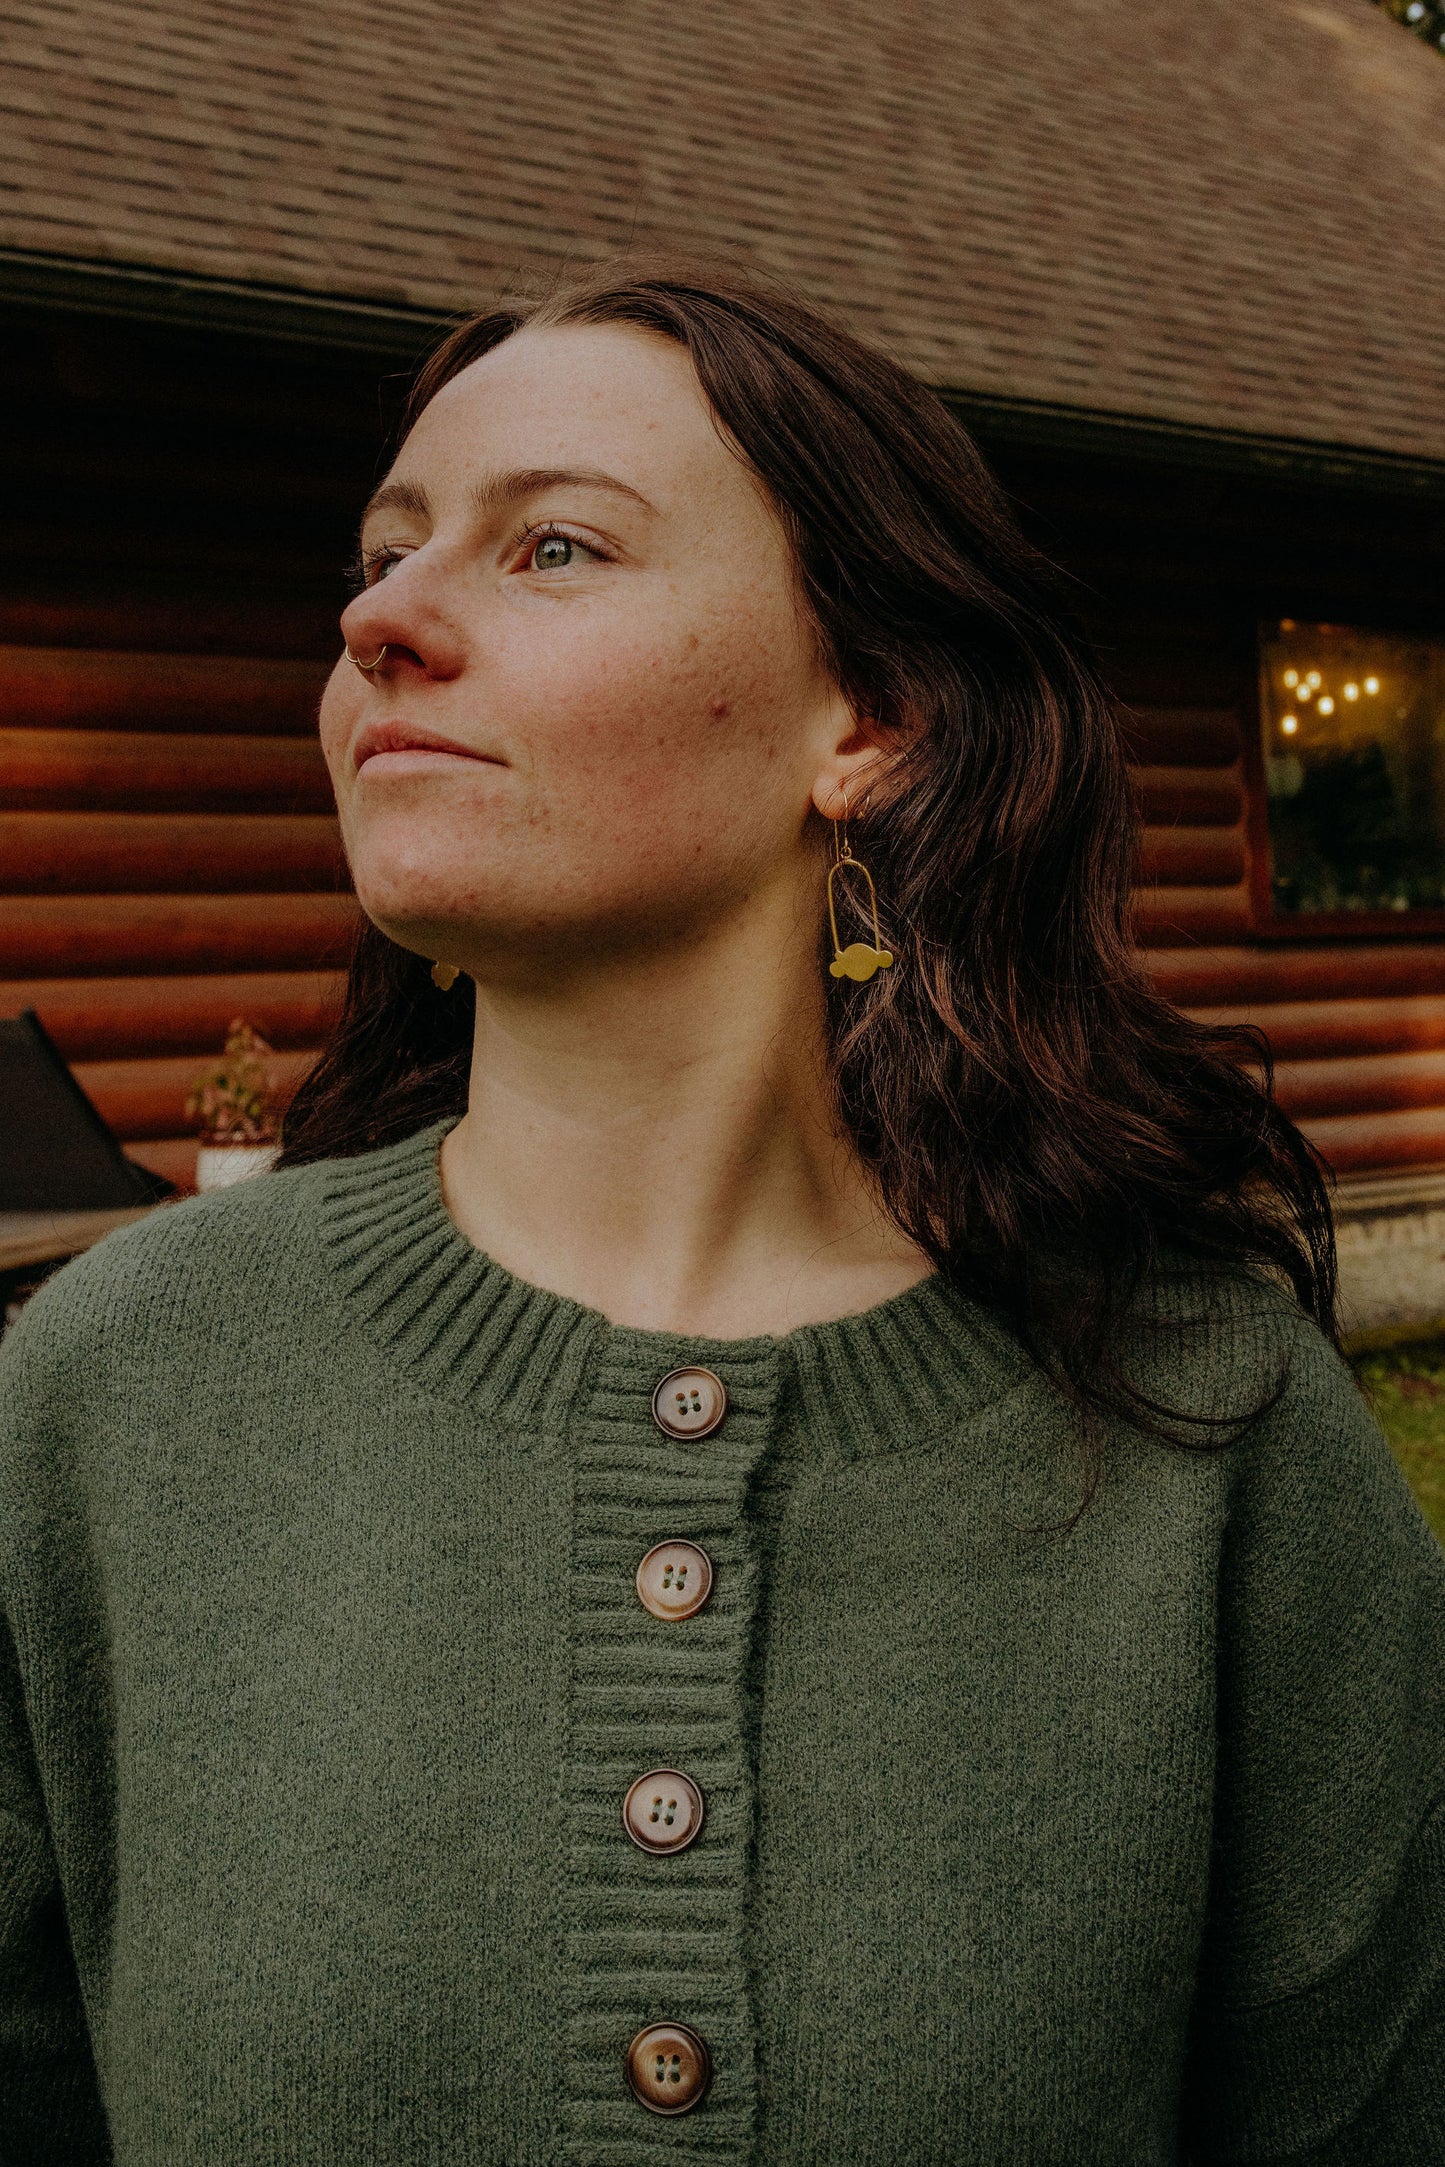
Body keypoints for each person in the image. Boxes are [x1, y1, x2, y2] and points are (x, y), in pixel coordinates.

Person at [2, 260, 1441, 2165]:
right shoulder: (115, 1387)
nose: (377, 621)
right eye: (381, 553)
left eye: (556, 550)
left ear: (872, 718)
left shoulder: (1207, 1424)